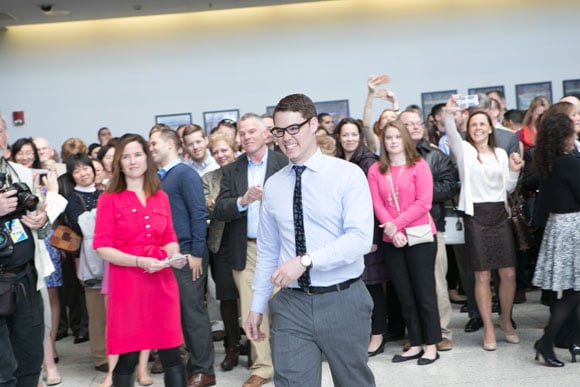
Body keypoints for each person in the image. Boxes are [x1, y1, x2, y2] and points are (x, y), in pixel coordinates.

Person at [246, 94, 376, 386]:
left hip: (343, 299)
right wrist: (256, 306)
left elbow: (359, 239)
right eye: (279, 131)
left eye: (294, 128)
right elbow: (268, 251)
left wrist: (306, 261)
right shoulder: (274, 184)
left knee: (353, 381)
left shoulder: (347, 175)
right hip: (291, 305)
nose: (286, 138)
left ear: (314, 124)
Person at [93, 134, 188, 387]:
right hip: (127, 286)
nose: (132, 161)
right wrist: (139, 262)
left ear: (147, 157)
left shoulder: (160, 197)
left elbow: (168, 235)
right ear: (119, 163)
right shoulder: (109, 199)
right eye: (126, 156)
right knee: (128, 355)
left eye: (137, 154)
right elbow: (102, 247)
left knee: (171, 353)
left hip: (162, 282)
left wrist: (174, 254)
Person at [444, 95, 524, 351]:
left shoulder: (501, 153)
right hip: (476, 217)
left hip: (499, 217)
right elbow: (451, 132)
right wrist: (449, 111)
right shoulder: (465, 151)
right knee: (481, 275)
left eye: (482, 124)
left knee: (508, 274)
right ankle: (488, 327)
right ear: (468, 129)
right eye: (473, 124)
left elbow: (508, 188)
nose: (478, 128)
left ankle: (506, 321)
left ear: (491, 127)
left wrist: (514, 169)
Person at [214, 113, 287, 387]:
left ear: (266, 134)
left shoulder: (283, 163)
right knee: (252, 312)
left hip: (281, 249)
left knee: (284, 310)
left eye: (252, 131)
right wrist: (242, 201)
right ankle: (262, 367)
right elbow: (220, 208)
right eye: (242, 133)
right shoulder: (232, 169)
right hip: (245, 250)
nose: (246, 137)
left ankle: (289, 361)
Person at [368, 120, 441, 365]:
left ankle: (431, 344)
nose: (393, 142)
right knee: (404, 295)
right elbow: (377, 203)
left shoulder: (419, 166)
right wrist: (393, 229)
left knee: (424, 292)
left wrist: (395, 225)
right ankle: (416, 342)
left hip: (420, 236)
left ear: (405, 140)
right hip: (393, 240)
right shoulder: (376, 170)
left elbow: (424, 203)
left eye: (397, 137)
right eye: (388, 138)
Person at [149, 128, 216, 387]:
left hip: (188, 255)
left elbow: (199, 214)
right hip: (168, 256)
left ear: (170, 144)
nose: (151, 148)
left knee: (192, 313)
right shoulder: (159, 177)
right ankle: (186, 363)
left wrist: (196, 253)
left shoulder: (184, 174)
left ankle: (204, 370)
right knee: (174, 314)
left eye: (154, 143)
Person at [0, 115, 60, 386]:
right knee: (3, 369)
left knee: (30, 358)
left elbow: (42, 224)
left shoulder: (21, 173)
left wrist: (41, 221)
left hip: (25, 279)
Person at [400, 109, 459, 352]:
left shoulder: (435, 156)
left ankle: (442, 332)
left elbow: (448, 188)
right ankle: (418, 333)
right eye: (408, 124)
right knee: (409, 286)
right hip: (401, 230)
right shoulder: (392, 159)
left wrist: (418, 193)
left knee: (435, 283)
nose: (414, 127)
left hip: (431, 227)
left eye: (417, 123)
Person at [531, 113, 580, 367]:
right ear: (564, 135)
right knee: (573, 293)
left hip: (560, 227)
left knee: (573, 291)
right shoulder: (568, 163)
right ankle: (548, 342)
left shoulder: (549, 162)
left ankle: (571, 340)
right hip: (573, 228)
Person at [334, 117, 385, 355]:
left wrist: (372, 238)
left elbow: (373, 204)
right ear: (339, 137)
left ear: (360, 137)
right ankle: (362, 334)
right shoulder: (337, 161)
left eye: (354, 134)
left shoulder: (367, 162)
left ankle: (378, 334)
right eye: (345, 134)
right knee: (354, 286)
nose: (349, 139)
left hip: (366, 235)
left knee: (373, 286)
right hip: (345, 235)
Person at [63, 153, 107, 375]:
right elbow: (82, 227)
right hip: (91, 262)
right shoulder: (72, 199)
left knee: (114, 311)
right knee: (97, 313)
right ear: (72, 176)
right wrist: (105, 216)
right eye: (77, 170)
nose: (83, 173)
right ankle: (100, 356)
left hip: (113, 259)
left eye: (86, 168)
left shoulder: (104, 193)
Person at [202, 132, 242, 372]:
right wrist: (236, 200)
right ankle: (232, 346)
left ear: (234, 149)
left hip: (247, 239)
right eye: (215, 152)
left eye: (224, 150)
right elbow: (210, 207)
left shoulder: (246, 171)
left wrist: (224, 202)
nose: (220, 155)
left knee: (250, 295)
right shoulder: (208, 178)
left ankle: (253, 342)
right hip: (221, 242)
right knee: (227, 297)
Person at [362, 74, 399, 155]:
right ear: (380, 125)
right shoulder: (376, 142)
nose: (389, 119)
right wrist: (371, 93)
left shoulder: (401, 139)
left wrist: (395, 102)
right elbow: (366, 124)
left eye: (392, 117)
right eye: (385, 117)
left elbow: (399, 121)